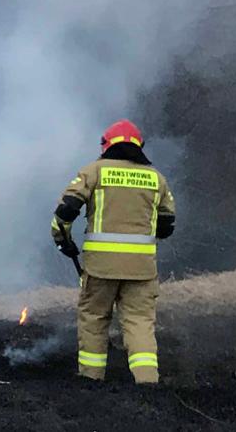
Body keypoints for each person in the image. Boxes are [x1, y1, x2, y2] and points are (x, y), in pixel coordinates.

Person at [50, 119, 177, 384]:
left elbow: (65, 211)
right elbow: (166, 225)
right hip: (142, 270)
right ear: (139, 146)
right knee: (140, 323)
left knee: (94, 319)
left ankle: (91, 379)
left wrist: (63, 241)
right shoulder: (156, 178)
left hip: (100, 268)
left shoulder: (93, 172)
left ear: (106, 145)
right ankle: (147, 381)